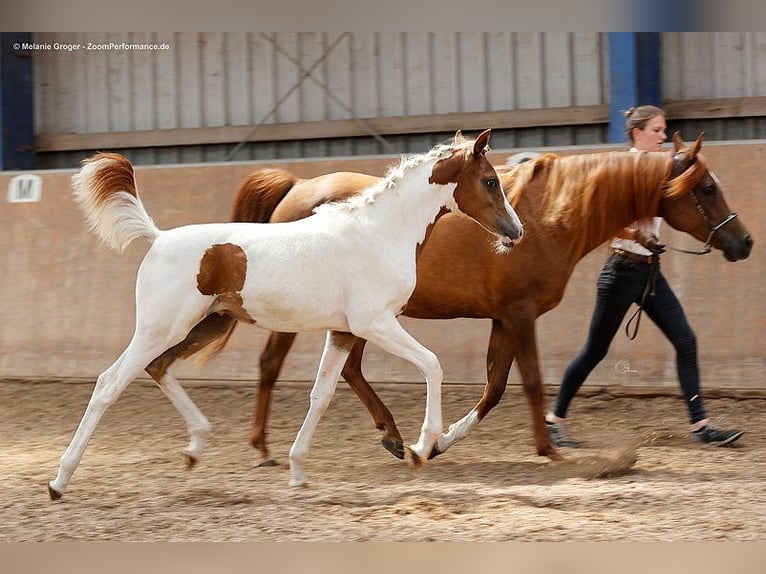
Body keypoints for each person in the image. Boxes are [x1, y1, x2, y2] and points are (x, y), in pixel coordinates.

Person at [545, 105, 744, 448]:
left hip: (650, 272)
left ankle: (701, 426)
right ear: (637, 133)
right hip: (621, 272)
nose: (663, 136)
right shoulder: (622, 169)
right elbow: (603, 220)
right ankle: (554, 419)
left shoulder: (659, 168)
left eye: (664, 130)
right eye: (656, 130)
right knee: (595, 350)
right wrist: (638, 236)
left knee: (686, 341)